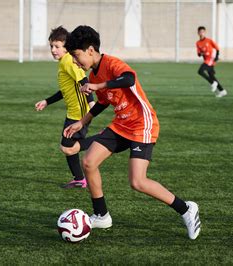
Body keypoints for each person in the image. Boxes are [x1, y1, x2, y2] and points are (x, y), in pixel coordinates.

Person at [63, 25, 201, 239]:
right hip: (120, 125)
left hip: (141, 125)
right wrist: (82, 122)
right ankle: (101, 215)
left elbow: (129, 79)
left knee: (137, 182)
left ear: (90, 50)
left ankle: (186, 209)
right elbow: (102, 103)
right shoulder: (93, 73)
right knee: (89, 162)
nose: (74, 60)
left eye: (76, 55)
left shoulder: (112, 63)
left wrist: (99, 85)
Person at [35, 26, 95, 189]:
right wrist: (47, 101)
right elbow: (66, 90)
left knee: (66, 147)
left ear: (66, 47)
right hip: (75, 111)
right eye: (51, 46)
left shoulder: (68, 60)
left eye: (57, 46)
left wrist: (91, 103)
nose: (53, 50)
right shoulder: (65, 61)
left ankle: (103, 139)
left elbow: (83, 80)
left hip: (79, 112)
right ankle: (79, 179)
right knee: (70, 145)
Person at [196, 26, 227, 98]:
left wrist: (216, 57)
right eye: (200, 32)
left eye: (203, 32)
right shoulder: (198, 43)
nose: (201, 33)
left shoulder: (209, 40)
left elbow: (217, 48)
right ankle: (222, 91)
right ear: (198, 33)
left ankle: (213, 83)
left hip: (210, 59)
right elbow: (198, 54)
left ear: (205, 32)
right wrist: (201, 53)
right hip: (206, 59)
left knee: (200, 71)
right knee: (211, 76)